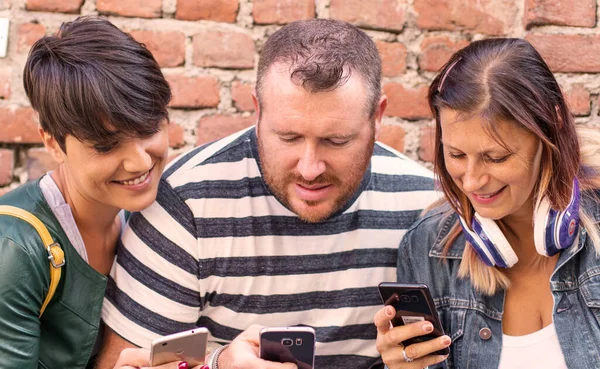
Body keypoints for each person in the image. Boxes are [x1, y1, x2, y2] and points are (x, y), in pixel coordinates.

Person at [97, 18, 437, 369]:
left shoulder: (426, 205)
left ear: (377, 118)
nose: (309, 168)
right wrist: (219, 364)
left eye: (336, 141)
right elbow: (122, 363)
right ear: (257, 111)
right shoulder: (185, 203)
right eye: (288, 137)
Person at [374, 38, 600, 369]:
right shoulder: (426, 249)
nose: (471, 181)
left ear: (552, 128)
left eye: (495, 157)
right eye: (456, 155)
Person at [0, 16, 184, 369]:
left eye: (149, 128)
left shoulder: (151, 216)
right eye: (107, 145)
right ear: (53, 144)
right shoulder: (15, 249)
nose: (139, 161)